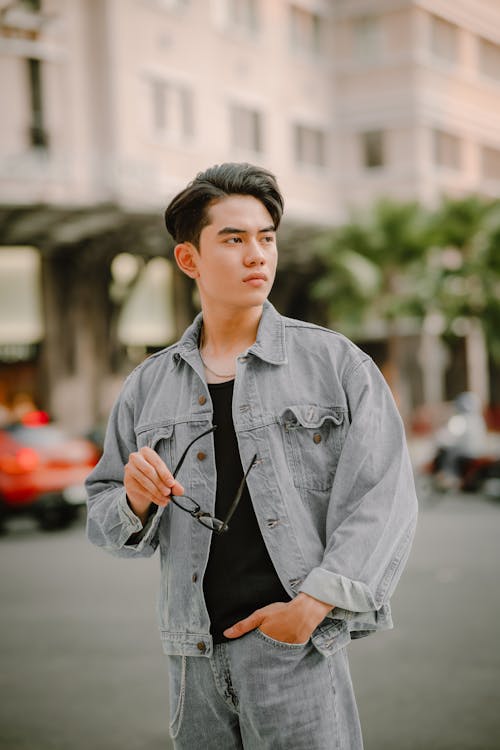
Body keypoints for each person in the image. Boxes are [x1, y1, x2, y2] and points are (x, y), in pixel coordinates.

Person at [86, 162, 418, 749]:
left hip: (293, 651)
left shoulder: (335, 365)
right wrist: (134, 500)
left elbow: (383, 494)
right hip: (192, 656)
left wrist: (312, 606)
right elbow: (103, 514)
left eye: (266, 238)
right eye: (233, 239)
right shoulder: (148, 385)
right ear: (189, 260)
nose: (257, 255)